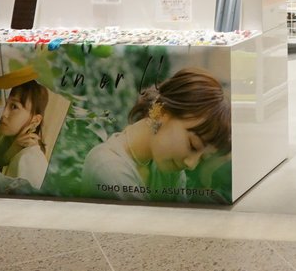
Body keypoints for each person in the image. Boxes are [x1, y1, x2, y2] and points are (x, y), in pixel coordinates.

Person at [81, 68, 231, 201]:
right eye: (193, 145)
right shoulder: (108, 167)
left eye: (202, 157)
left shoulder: (167, 168)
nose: (191, 164)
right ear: (162, 112)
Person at [0, 80, 50, 190]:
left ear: (35, 120)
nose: (3, 113)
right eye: (5, 104)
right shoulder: (4, 136)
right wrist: (8, 155)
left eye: (14, 106)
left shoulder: (30, 161)